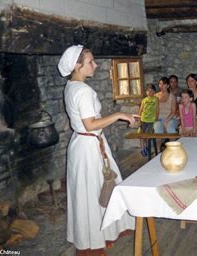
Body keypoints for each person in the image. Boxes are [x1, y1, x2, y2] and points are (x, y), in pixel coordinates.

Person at [57, 45, 135, 254]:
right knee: (93, 192)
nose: (96, 65)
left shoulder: (71, 86)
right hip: (88, 145)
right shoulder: (82, 91)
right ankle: (93, 238)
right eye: (91, 62)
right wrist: (119, 115)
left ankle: (95, 234)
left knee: (91, 190)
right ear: (77, 65)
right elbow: (91, 124)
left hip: (83, 143)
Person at [154, 77, 178, 152]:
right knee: (158, 129)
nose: (161, 86)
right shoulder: (155, 96)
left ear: (167, 86)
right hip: (159, 119)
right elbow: (153, 110)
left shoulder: (172, 97)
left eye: (163, 84)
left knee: (170, 128)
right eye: (160, 84)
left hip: (171, 118)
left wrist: (166, 121)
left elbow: (173, 111)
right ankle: (158, 151)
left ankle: (173, 150)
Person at [138, 83, 158, 156]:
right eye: (148, 91)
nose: (150, 93)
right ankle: (143, 149)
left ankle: (146, 147)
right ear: (146, 92)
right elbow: (140, 110)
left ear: (154, 92)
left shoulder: (156, 99)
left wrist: (156, 118)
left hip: (151, 120)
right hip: (143, 119)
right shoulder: (144, 100)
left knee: (146, 135)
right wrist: (139, 119)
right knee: (141, 134)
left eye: (152, 91)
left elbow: (157, 109)